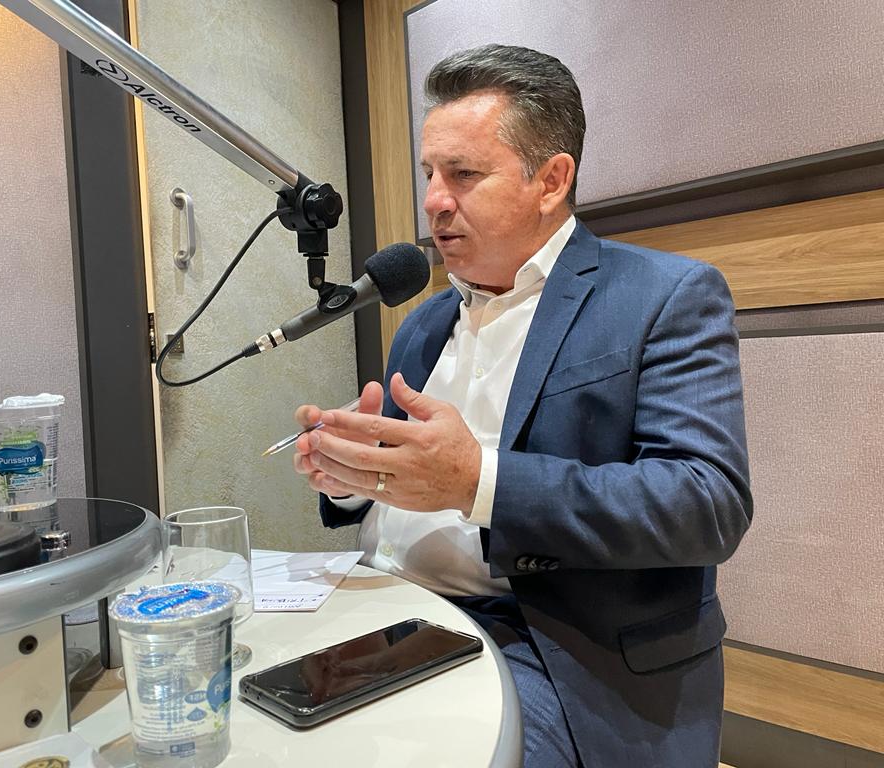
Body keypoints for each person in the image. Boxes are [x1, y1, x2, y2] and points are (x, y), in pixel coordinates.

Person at [293, 44, 752, 768]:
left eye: (463, 174)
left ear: (551, 180)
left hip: (549, 645)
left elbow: (706, 504)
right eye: (429, 174)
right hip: (388, 612)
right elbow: (407, 474)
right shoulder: (422, 322)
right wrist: (355, 476)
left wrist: (477, 481)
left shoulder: (664, 297)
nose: (434, 201)